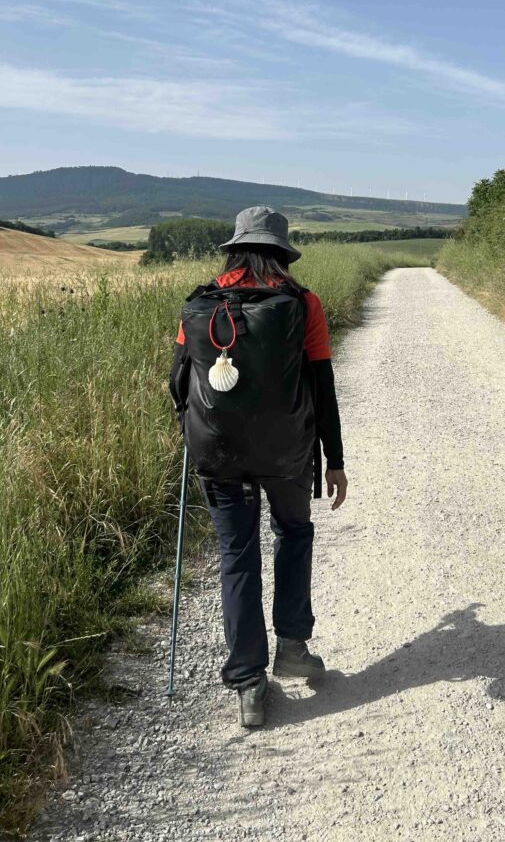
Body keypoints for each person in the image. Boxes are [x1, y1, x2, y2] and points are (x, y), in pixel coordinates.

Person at [169, 206, 348, 727]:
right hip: (287, 453)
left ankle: (248, 682)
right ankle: (292, 645)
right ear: (281, 253)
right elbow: (322, 386)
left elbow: (179, 382)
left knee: (236, 554)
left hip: (218, 454)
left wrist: (194, 434)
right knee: (293, 534)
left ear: (235, 249)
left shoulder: (200, 304)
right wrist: (334, 460)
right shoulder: (301, 302)